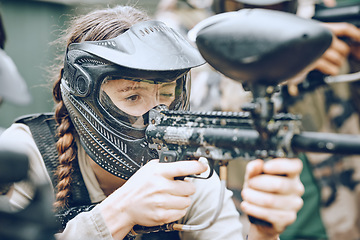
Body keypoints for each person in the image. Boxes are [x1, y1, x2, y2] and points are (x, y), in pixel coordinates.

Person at [0, 5, 304, 240]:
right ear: (84, 93)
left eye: (168, 94)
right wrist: (119, 213)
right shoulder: (24, 156)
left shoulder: (192, 174)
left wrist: (265, 231)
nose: (157, 115)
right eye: (132, 97)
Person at [206, 0, 360, 239]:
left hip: (341, 222)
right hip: (248, 225)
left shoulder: (322, 16)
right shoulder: (187, 21)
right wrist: (287, 63)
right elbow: (186, 102)